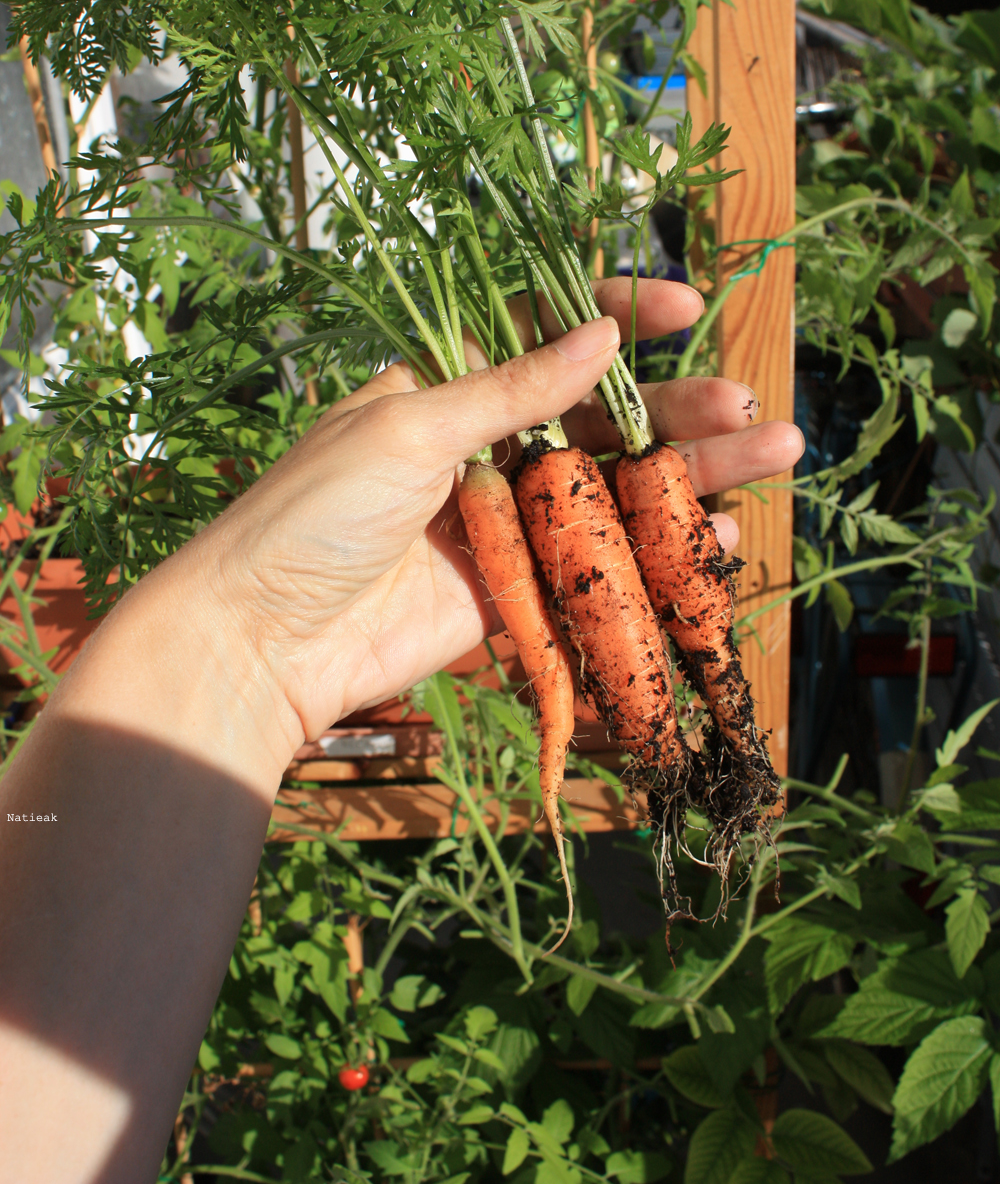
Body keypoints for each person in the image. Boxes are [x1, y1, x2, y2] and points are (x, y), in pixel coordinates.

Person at [0, 277, 803, 1183]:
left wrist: (243, 648)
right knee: (643, 630)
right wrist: (246, 643)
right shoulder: (538, 477)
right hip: (535, 483)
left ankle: (713, 732)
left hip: (554, 486)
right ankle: (700, 738)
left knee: (692, 634)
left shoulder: (586, 478)